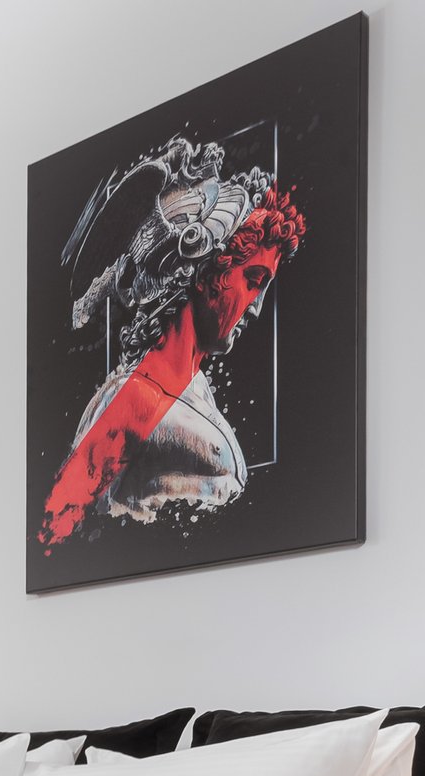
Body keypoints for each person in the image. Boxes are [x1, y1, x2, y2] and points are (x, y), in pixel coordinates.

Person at [39, 137, 306, 548]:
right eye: (252, 283)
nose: (255, 309)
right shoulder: (134, 402)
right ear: (201, 271)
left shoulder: (193, 393)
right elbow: (55, 532)